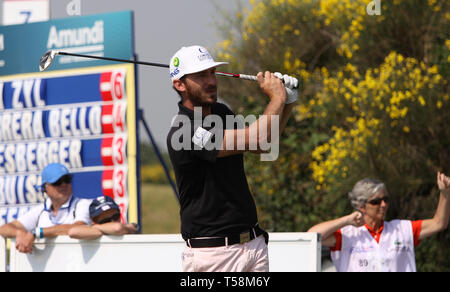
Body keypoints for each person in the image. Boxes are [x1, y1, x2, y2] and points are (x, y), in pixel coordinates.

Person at [166, 45, 298, 272]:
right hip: (213, 256)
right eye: (200, 75)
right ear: (180, 84)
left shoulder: (221, 113)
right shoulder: (183, 131)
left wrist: (287, 103)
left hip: (253, 246)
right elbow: (257, 139)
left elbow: (263, 145)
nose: (211, 81)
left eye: (212, 73)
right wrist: (277, 97)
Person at [308, 172, 450, 272]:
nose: (383, 205)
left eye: (385, 200)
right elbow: (312, 236)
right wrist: (345, 220)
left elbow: (439, 223)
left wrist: (445, 193)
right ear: (361, 206)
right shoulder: (347, 234)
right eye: (376, 201)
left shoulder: (401, 229)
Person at [0, 163, 92, 254]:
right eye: (57, 182)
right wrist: (19, 233)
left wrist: (37, 232)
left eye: (67, 180)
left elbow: (78, 228)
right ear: (45, 188)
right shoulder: (40, 210)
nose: (64, 185)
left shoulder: (82, 204)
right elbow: (4, 228)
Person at [68, 196, 137, 240]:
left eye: (115, 216)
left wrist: (96, 227)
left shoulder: (129, 227)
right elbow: (73, 232)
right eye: (105, 221)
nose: (112, 222)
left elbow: (117, 228)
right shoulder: (96, 229)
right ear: (94, 221)